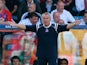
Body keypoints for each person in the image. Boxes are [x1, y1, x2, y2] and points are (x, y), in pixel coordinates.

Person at [9, 12, 80, 65]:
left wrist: (74, 23)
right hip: (41, 53)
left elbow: (66, 26)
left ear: (50, 19)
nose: (45, 20)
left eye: (47, 18)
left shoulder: (55, 26)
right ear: (42, 19)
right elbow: (26, 27)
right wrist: (16, 25)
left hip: (52, 53)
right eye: (44, 18)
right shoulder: (38, 26)